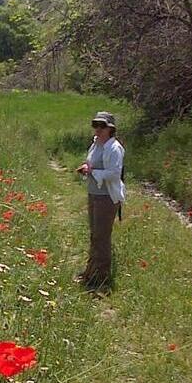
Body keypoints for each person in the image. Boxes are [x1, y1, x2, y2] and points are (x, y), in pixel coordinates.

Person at [75, 111, 125, 290]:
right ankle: (90, 272)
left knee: (102, 237)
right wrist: (87, 167)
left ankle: (101, 278)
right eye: (95, 124)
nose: (98, 129)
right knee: (94, 235)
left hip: (107, 198)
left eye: (102, 125)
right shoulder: (96, 144)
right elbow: (93, 164)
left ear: (110, 129)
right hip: (93, 193)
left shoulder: (114, 148)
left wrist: (92, 172)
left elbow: (114, 174)